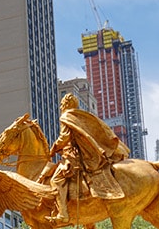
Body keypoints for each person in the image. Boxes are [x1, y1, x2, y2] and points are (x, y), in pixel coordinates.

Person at [46, 92, 130, 222]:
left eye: (62, 104)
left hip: (77, 154)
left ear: (64, 104)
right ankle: (88, 224)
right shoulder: (79, 116)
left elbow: (64, 137)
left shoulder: (66, 116)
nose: (61, 106)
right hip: (83, 152)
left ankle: (63, 214)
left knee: (56, 180)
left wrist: (54, 148)